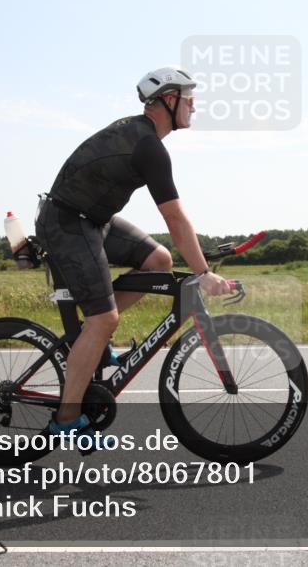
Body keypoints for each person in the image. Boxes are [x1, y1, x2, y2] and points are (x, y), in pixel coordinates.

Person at [35, 66, 232, 447]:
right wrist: (203, 272)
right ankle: (67, 420)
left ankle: (92, 340)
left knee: (158, 261)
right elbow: (175, 219)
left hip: (92, 220)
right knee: (103, 319)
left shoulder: (142, 136)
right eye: (189, 98)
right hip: (67, 222)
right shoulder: (148, 146)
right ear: (169, 100)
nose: (194, 105)